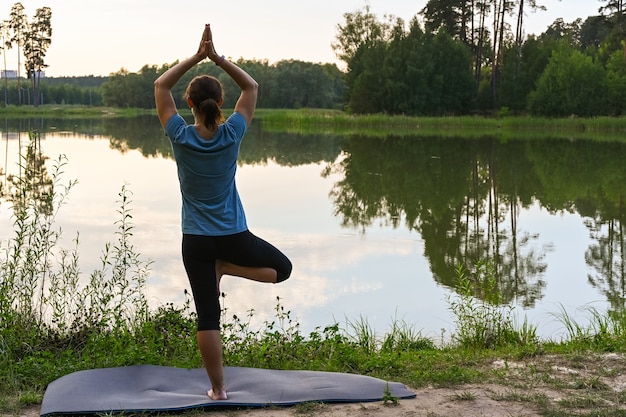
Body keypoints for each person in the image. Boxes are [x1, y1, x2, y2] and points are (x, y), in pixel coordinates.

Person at [154, 24, 292, 401]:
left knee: (207, 317)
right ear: (220, 102)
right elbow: (252, 89)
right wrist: (218, 58)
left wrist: (196, 57)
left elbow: (160, 87)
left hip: (196, 240)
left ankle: (218, 389)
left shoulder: (180, 136)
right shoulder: (232, 133)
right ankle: (227, 266)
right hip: (233, 234)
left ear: (190, 105)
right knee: (282, 270)